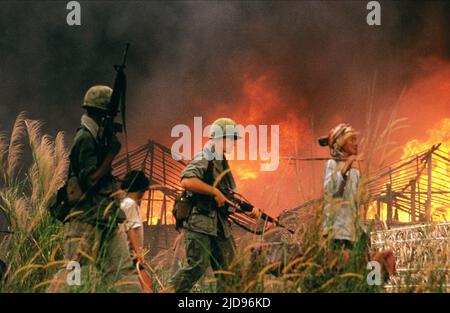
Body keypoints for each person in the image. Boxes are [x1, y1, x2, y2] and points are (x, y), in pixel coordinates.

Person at [50, 85, 141, 292]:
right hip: (85, 219)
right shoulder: (85, 139)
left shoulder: (96, 137)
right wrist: (110, 154)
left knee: (122, 272)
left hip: (106, 216)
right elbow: (90, 180)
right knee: (72, 274)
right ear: (101, 113)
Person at [170, 117, 258, 293]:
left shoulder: (220, 159)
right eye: (231, 138)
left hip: (217, 223)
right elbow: (187, 181)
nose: (234, 143)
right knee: (197, 267)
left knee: (230, 271)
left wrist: (247, 210)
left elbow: (226, 196)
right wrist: (215, 192)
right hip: (200, 222)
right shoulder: (206, 155)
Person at [319, 123, 361, 251]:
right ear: (341, 143)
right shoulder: (332, 164)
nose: (356, 143)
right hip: (335, 232)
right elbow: (330, 190)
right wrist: (344, 169)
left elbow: (356, 204)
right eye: (352, 139)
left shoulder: (356, 173)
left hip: (351, 234)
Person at [120, 170, 153, 292]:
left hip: (132, 254)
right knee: (146, 285)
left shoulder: (129, 204)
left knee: (145, 284)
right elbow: (130, 230)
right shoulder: (130, 204)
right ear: (141, 190)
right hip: (131, 255)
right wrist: (138, 253)